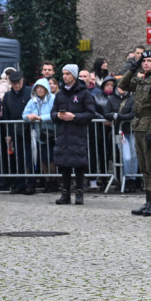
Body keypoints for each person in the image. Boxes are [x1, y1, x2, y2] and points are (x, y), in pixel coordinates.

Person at [118, 49, 151, 216]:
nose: (146, 63)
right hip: (138, 125)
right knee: (144, 166)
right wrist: (133, 68)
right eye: (144, 61)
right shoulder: (142, 79)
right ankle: (147, 201)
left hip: (150, 126)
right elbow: (123, 85)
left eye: (149, 61)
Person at [52, 64, 96, 205]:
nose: (64, 76)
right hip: (63, 134)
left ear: (74, 75)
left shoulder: (84, 93)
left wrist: (75, 117)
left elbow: (90, 113)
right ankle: (65, 193)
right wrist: (57, 115)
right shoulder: (60, 94)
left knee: (78, 165)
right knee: (64, 165)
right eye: (63, 74)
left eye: (67, 74)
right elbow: (52, 113)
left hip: (77, 134)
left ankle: (79, 192)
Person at [0, 70, 34, 194]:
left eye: (18, 83)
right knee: (17, 158)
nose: (17, 86)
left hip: (29, 129)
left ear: (22, 80)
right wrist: (8, 134)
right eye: (14, 83)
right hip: (15, 130)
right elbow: (6, 115)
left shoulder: (30, 92)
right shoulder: (8, 96)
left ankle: (31, 183)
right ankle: (19, 183)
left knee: (29, 158)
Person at [23, 78, 55, 192]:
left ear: (46, 89)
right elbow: (24, 114)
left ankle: (54, 181)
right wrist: (29, 117)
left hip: (52, 134)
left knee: (51, 159)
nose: (40, 90)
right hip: (38, 135)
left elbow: (55, 114)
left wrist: (41, 118)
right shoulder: (32, 101)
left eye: (42, 88)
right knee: (43, 160)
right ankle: (47, 181)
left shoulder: (53, 99)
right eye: (38, 88)